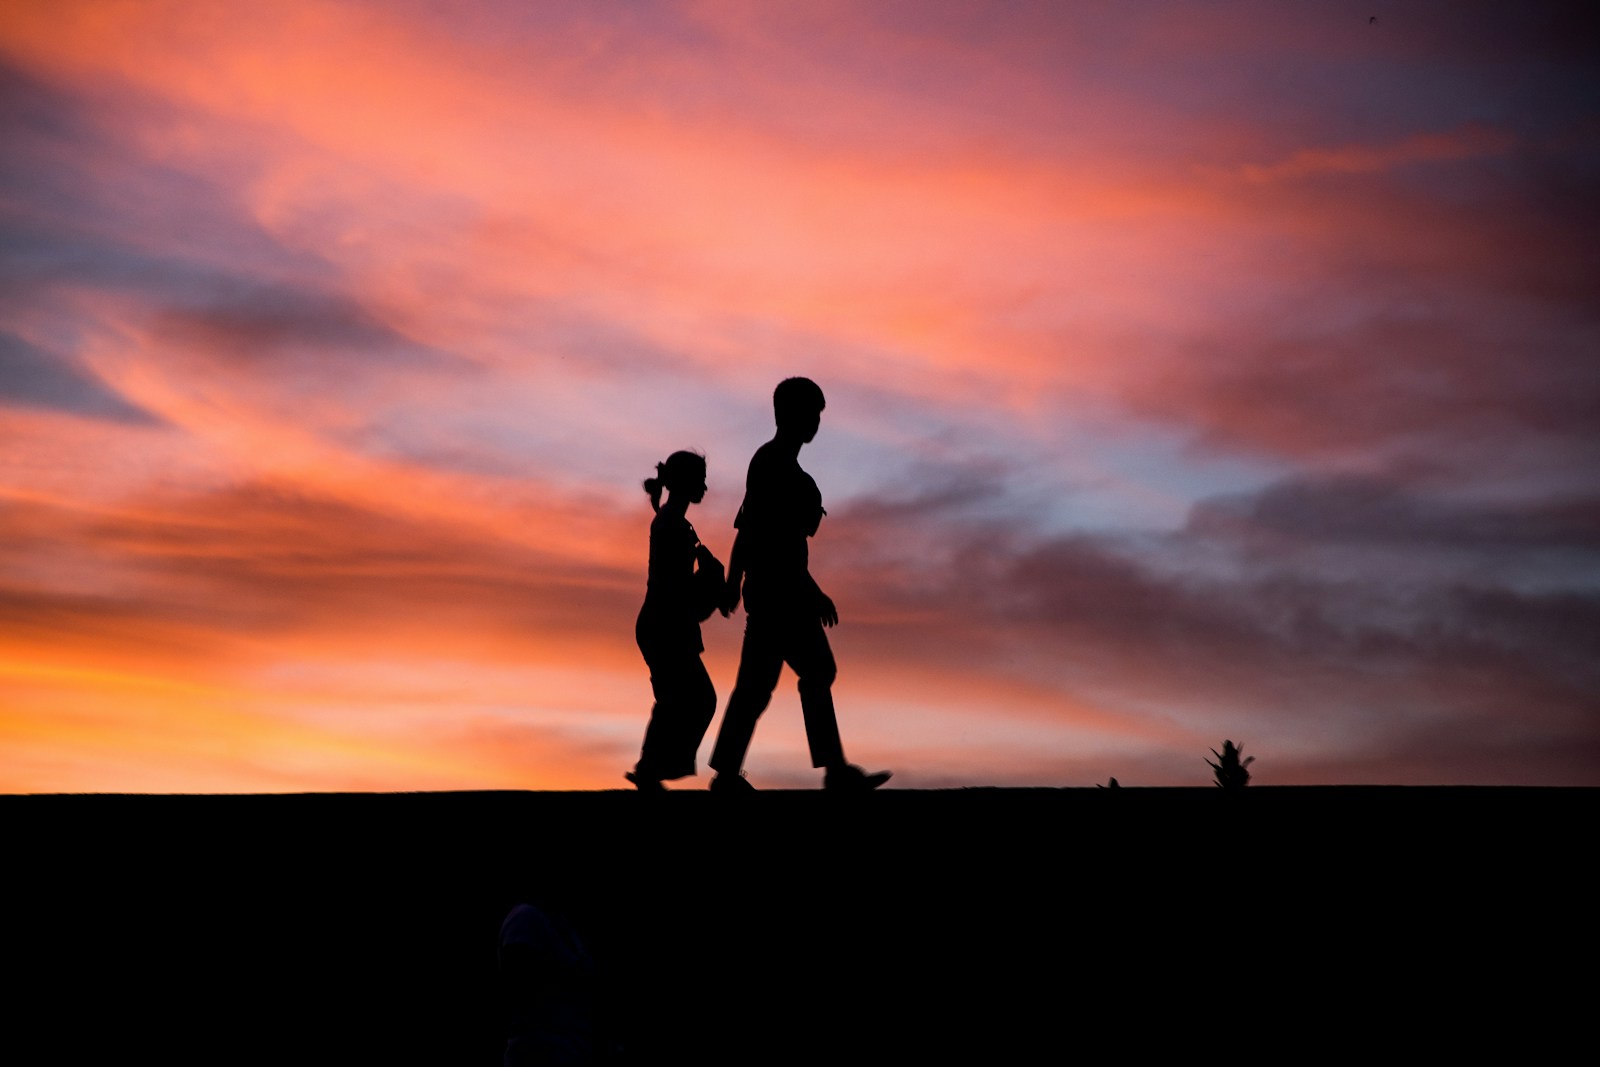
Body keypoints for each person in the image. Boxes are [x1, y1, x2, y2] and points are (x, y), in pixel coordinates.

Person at [707, 378, 891, 792]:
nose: (816, 422)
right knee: (807, 673)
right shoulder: (772, 465)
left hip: (780, 591)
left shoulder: (782, 468)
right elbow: (758, 535)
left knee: (762, 685)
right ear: (787, 414)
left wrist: (741, 583)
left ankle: (731, 774)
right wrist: (741, 583)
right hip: (779, 595)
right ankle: (832, 771)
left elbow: (756, 534)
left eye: (819, 414)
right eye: (812, 413)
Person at [628, 451, 724, 791]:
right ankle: (651, 769)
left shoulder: (674, 522)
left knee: (678, 700)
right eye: (700, 480)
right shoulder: (671, 524)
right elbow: (676, 589)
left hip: (663, 624)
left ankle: (650, 768)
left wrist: (709, 585)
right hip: (664, 625)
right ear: (684, 482)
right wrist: (711, 586)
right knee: (694, 699)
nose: (705, 487)